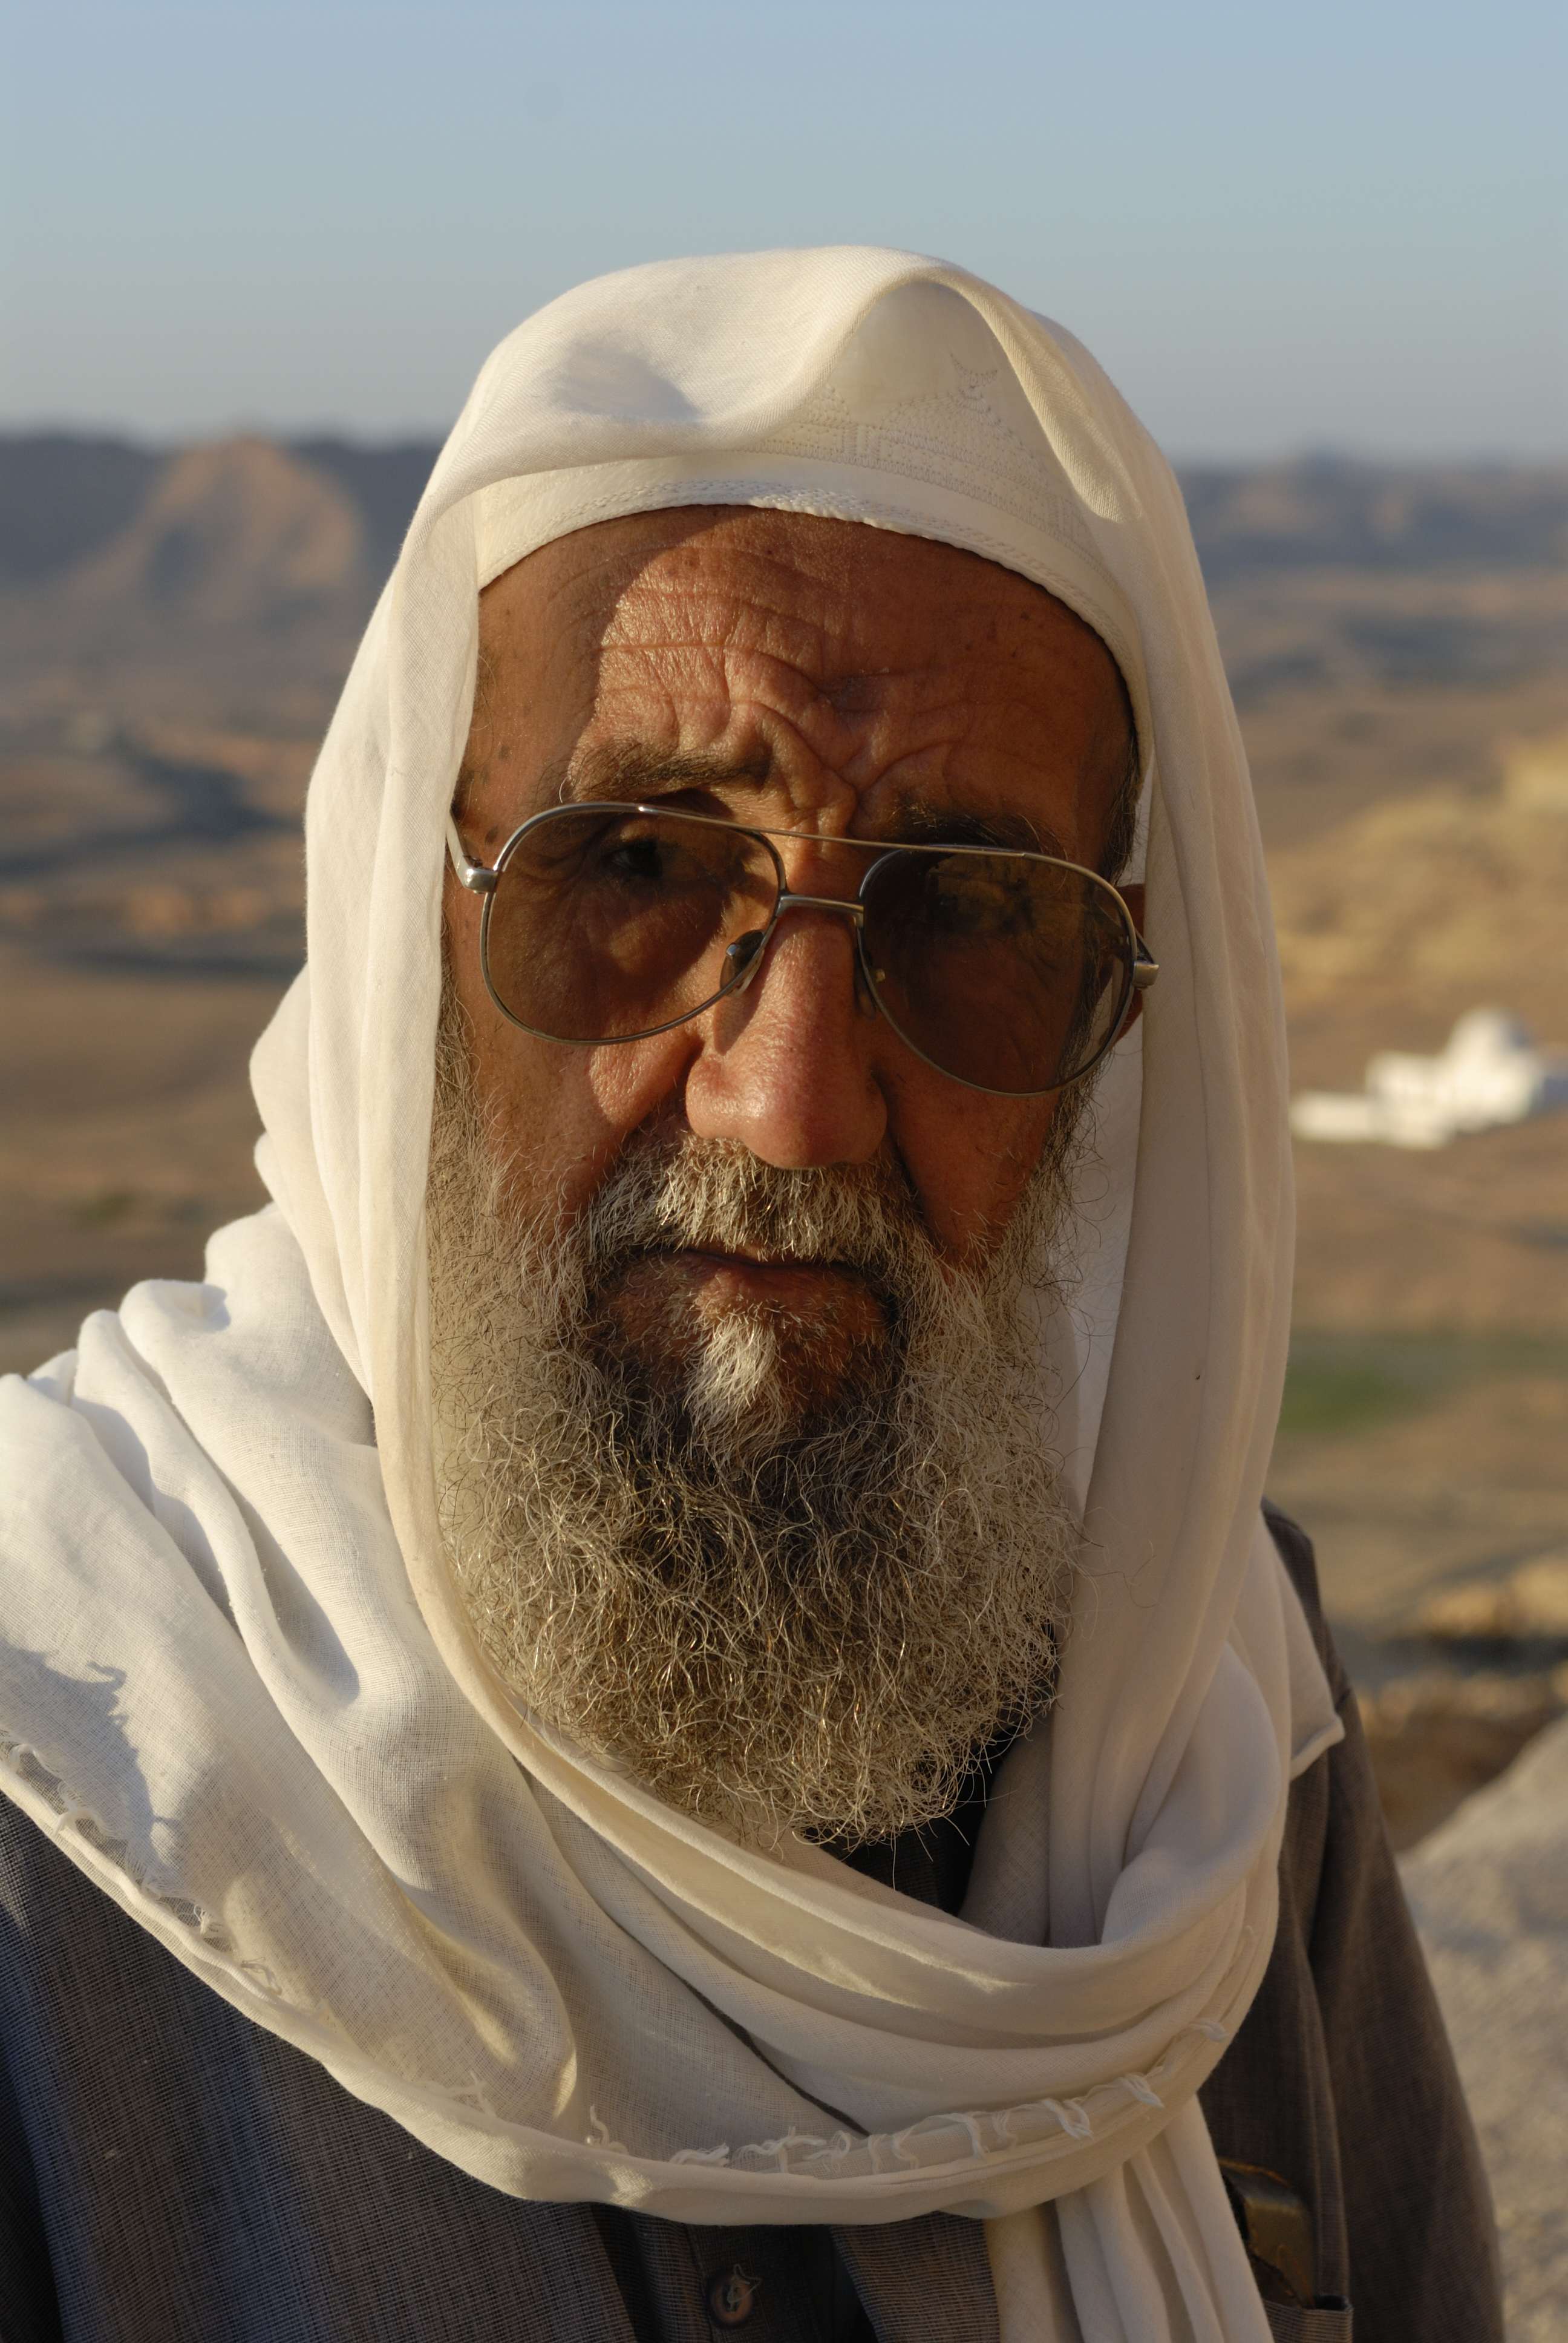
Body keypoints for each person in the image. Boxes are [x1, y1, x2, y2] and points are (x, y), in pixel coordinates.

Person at [0, 249, 1500, 2342]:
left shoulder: (1212, 1709)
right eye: (635, 866)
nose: (790, 1104)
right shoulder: (56, 1771)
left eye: (972, 910)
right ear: (405, 940)